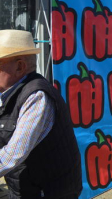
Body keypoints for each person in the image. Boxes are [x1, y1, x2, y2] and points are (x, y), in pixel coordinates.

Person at [0, 29, 82, 198]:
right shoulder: (7, 91)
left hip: (49, 192)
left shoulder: (37, 96)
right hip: (25, 186)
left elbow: (12, 155)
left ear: (19, 67)